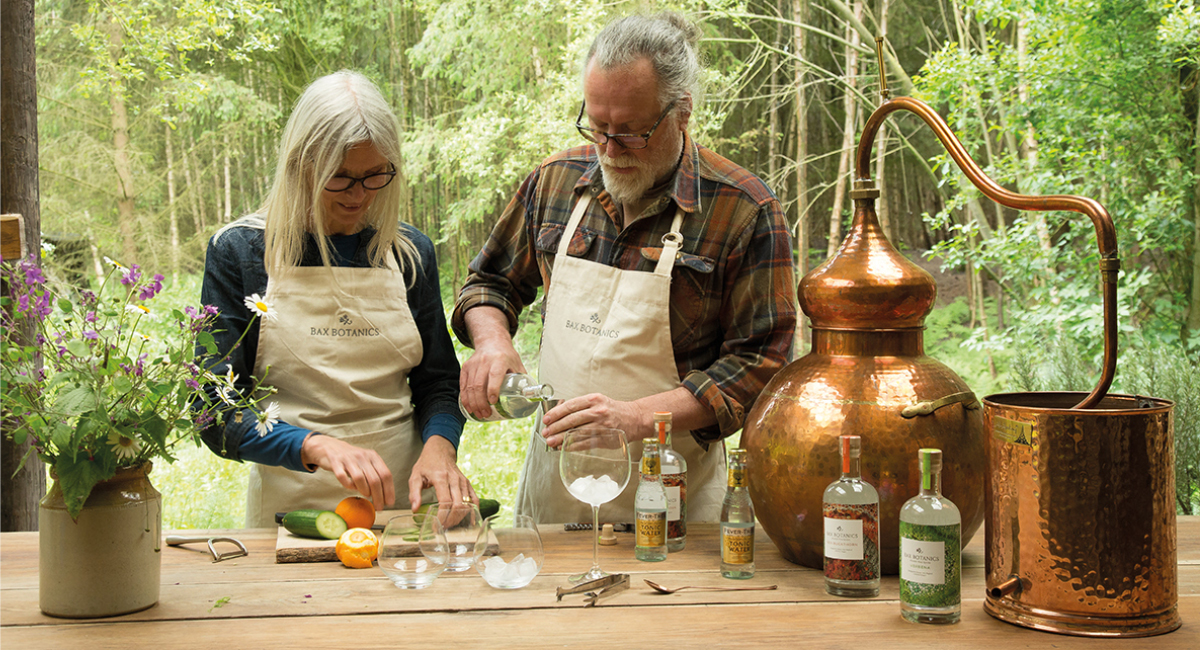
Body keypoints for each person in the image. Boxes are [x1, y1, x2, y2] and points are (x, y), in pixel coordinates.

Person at [454, 13, 797, 524]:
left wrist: (637, 417)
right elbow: (489, 282)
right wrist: (493, 341)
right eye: (598, 128)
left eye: (632, 134)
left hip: (673, 490)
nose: (610, 151)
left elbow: (760, 364)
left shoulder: (742, 209)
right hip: (556, 488)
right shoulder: (554, 182)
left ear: (681, 113)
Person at [197, 70, 473, 527]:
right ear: (301, 165)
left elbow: (438, 383)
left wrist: (440, 447)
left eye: (375, 175)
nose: (360, 195)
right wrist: (314, 445)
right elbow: (214, 409)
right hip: (292, 510)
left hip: (403, 505)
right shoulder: (240, 252)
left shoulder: (408, 254)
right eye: (341, 178)